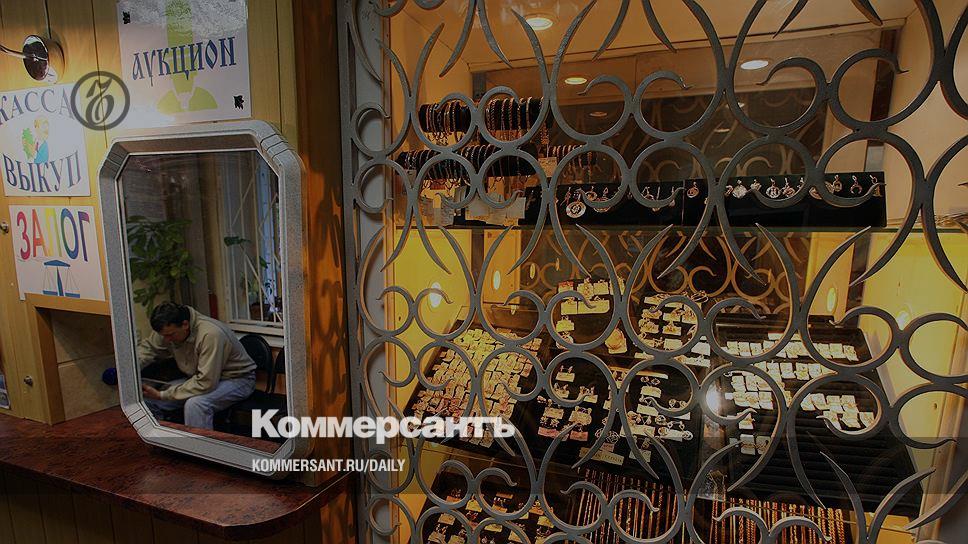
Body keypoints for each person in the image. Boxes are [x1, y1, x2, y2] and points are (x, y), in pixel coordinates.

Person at [137, 302, 256, 430]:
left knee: (196, 405)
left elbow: (206, 382)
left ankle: (198, 443)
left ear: (185, 324)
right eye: (163, 336)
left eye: (170, 335)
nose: (166, 340)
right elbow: (148, 349)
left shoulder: (210, 334)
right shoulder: (168, 328)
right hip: (200, 377)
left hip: (238, 379)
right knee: (150, 400)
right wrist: (129, 371)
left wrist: (163, 395)